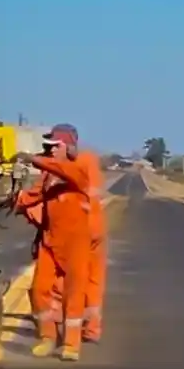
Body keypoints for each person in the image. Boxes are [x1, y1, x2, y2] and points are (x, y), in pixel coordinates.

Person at [13, 124, 95, 361]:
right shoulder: (49, 174)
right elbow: (34, 195)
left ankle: (71, 344)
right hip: (49, 241)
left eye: (54, 146)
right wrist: (11, 201)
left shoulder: (77, 170)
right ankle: (48, 337)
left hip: (75, 243)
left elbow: (60, 168)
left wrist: (33, 159)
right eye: (47, 147)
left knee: (73, 292)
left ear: (67, 147)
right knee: (39, 289)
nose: (50, 150)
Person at [77, 146, 108, 342]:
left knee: (71, 279)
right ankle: (92, 327)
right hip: (96, 229)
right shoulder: (91, 165)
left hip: (78, 232)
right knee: (94, 280)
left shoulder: (67, 169)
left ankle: (67, 329)